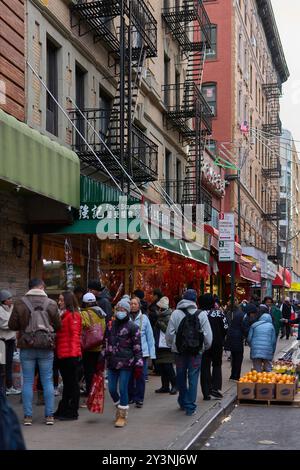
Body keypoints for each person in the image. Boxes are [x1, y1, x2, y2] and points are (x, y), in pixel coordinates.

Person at [8, 279, 61, 426]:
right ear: (41, 287)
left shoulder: (20, 303)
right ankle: (49, 416)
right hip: (46, 346)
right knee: (47, 381)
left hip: (27, 345)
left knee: (28, 381)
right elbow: (58, 325)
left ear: (29, 288)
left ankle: (27, 417)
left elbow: (12, 325)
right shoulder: (51, 303)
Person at [166, 289, 212, 416]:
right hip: (196, 352)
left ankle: (182, 400)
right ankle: (190, 406)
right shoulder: (201, 314)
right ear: (195, 300)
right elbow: (208, 335)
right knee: (193, 377)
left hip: (179, 351)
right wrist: (205, 347)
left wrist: (172, 345)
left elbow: (169, 333)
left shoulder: (175, 313)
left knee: (180, 375)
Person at [105, 299, 143, 427]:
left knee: (123, 388)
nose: (120, 312)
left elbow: (137, 347)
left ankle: (122, 415)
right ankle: (119, 407)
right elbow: (106, 342)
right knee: (111, 389)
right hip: (112, 362)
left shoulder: (133, 327)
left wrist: (138, 363)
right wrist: (102, 358)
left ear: (127, 312)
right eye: (118, 310)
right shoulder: (111, 325)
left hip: (127, 363)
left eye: (123, 310)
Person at [54, 291, 82, 421]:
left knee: (72, 384)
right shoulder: (66, 315)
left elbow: (75, 336)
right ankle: (64, 409)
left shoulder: (73, 316)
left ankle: (72, 411)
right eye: (59, 300)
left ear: (68, 301)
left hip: (69, 355)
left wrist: (73, 354)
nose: (59, 302)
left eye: (61, 300)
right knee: (68, 384)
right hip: (64, 354)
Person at [199, 294, 228, 400]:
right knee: (217, 365)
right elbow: (226, 328)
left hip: (204, 344)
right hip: (217, 343)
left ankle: (206, 392)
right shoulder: (219, 313)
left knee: (204, 367)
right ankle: (216, 388)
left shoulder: (200, 314)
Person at [128, 297, 156, 408]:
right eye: (131, 303)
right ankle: (130, 396)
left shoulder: (144, 318)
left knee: (140, 377)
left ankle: (139, 399)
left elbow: (150, 337)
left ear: (139, 305)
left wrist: (152, 354)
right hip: (129, 353)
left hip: (142, 353)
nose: (133, 305)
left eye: (135, 303)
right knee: (129, 377)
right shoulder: (126, 318)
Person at [80, 293, 106, 399]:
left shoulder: (86, 313)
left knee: (88, 370)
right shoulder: (101, 312)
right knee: (97, 370)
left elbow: (83, 325)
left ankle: (90, 392)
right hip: (99, 345)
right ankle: (97, 391)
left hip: (89, 346)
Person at [153, 296, 177, 394]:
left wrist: (159, 324)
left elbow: (169, 331)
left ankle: (175, 385)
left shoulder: (169, 317)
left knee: (168, 366)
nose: (158, 310)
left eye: (159, 308)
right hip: (160, 345)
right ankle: (165, 386)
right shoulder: (160, 317)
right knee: (162, 366)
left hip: (167, 345)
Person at [0, 289, 20, 395]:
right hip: (2, 341)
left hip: (11, 340)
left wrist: (12, 325)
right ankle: (3, 388)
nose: (11, 300)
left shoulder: (12, 309)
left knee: (9, 365)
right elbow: (3, 325)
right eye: (9, 299)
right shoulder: (0, 310)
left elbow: (14, 322)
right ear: (3, 300)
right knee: (2, 365)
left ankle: (9, 386)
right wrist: (13, 325)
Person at [225, 303, 245, 381]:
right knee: (239, 357)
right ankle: (236, 376)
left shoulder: (229, 314)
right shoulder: (241, 314)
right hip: (238, 337)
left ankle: (233, 375)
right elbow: (243, 326)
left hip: (230, 336)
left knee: (234, 356)